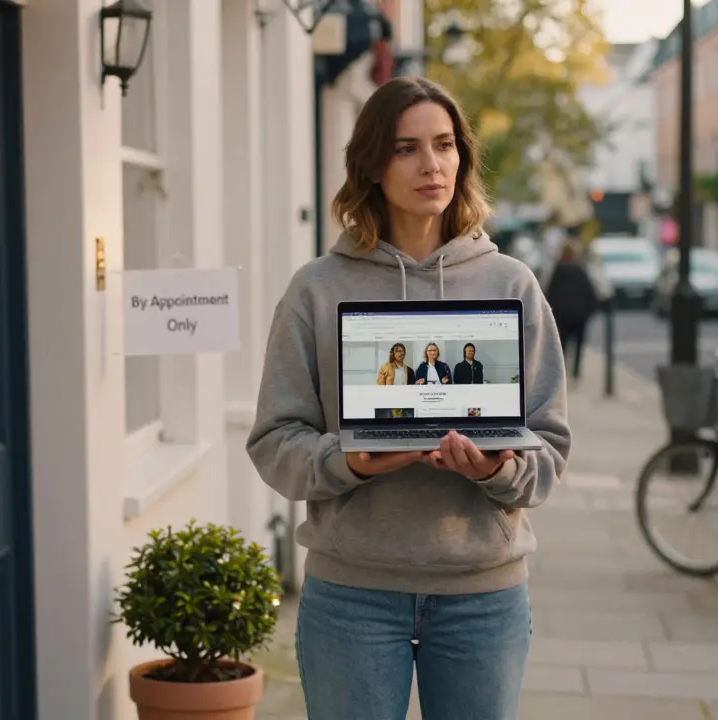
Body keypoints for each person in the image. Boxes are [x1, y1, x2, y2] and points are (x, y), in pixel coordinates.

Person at [246, 75, 571, 720]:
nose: (432, 165)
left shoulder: (511, 283)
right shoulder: (317, 289)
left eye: (445, 145)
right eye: (407, 148)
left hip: (483, 596)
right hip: (353, 595)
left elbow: (550, 445)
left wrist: (501, 469)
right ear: (371, 165)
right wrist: (348, 463)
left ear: (463, 158)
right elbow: (273, 440)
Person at [545, 242, 600, 383]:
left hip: (562, 315)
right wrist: (588, 312)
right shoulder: (580, 270)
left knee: (561, 345)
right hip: (579, 315)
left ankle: (561, 374)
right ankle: (576, 374)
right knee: (578, 346)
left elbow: (551, 293)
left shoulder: (558, 270)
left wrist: (553, 311)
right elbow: (590, 293)